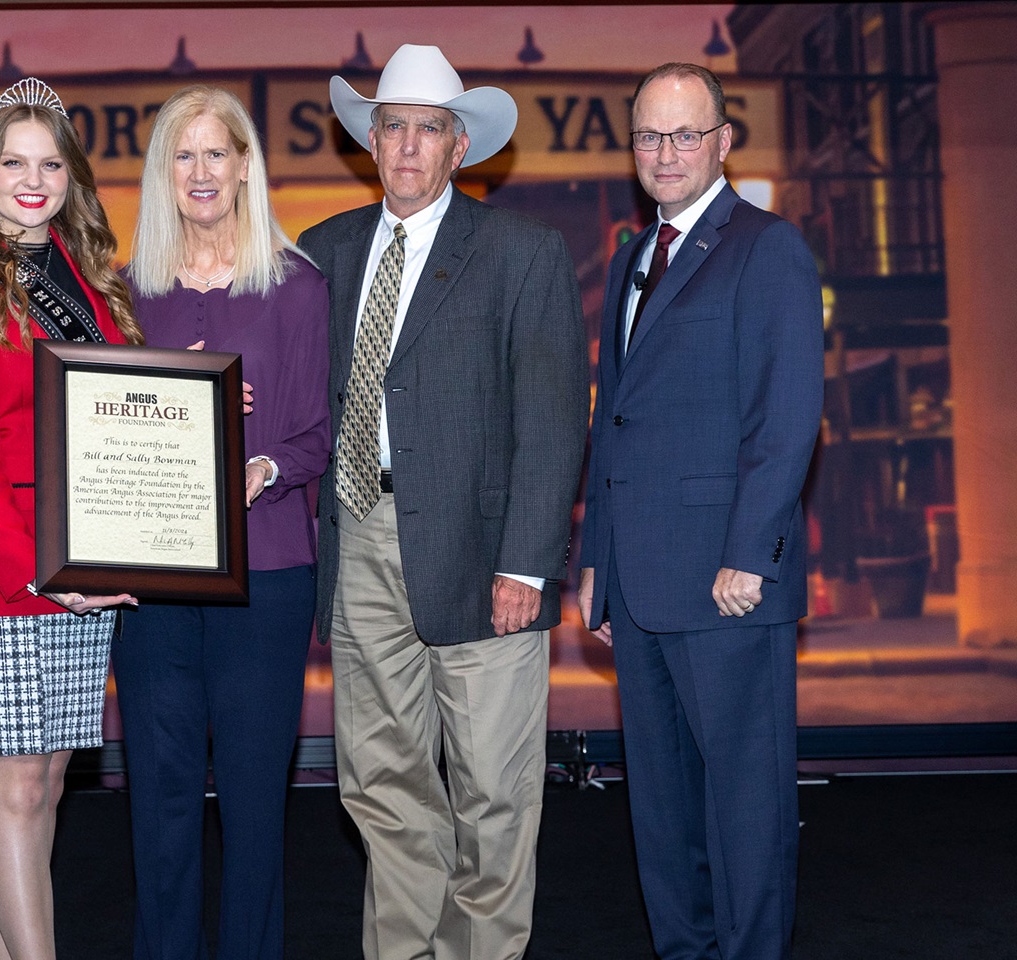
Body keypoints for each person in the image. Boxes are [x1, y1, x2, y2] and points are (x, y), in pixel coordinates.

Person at [296, 45, 588, 960]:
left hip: (484, 551)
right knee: (380, 784)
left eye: (430, 129)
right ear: (371, 140)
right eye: (394, 126)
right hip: (359, 539)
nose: (409, 146)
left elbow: (553, 420)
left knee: (495, 790)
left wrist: (527, 565)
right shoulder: (323, 252)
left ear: (460, 147)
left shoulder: (523, 253)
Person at [577, 63, 824, 960]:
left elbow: (785, 418)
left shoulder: (768, 247)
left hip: (728, 583)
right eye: (649, 135)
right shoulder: (633, 256)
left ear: (722, 141)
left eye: (685, 134)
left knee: (747, 806)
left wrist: (750, 554)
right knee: (662, 806)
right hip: (639, 586)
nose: (666, 152)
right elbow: (615, 418)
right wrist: (596, 559)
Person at [0, 77, 143, 960]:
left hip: (86, 556)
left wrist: (187, 398)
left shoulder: (96, 291)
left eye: (50, 164)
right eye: (14, 163)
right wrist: (42, 571)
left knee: (44, 785)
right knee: (10, 788)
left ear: (72, 178)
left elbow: (113, 418)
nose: (33, 181)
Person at [112, 85, 330, 960]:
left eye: (217, 152)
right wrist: (171, 393)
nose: (201, 171)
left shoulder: (298, 287)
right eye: (183, 153)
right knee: (159, 802)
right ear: (163, 172)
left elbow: (317, 433)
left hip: (266, 574)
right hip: (152, 581)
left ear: (246, 166)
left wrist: (263, 467)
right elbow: (99, 425)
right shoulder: (125, 292)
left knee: (253, 803)